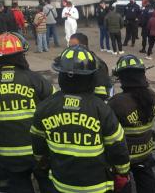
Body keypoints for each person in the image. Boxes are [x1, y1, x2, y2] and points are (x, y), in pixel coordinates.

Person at [31, 45, 131, 193]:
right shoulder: (101, 109)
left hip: (61, 185)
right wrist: (123, 172)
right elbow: (118, 147)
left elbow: (38, 148)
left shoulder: (45, 107)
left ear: (61, 76)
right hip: (96, 187)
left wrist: (43, 165)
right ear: (91, 78)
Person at [0, 32, 55, 193]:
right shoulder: (34, 79)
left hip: (6, 156)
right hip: (38, 153)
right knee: (47, 185)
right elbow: (55, 107)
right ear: (21, 55)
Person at [109, 54, 155, 193]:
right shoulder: (153, 97)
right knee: (146, 180)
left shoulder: (117, 102)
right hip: (145, 152)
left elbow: (108, 130)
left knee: (122, 184)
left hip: (124, 156)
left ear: (122, 78)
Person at [68, 33, 113, 101]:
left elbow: (102, 94)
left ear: (84, 47)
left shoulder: (97, 64)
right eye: (69, 46)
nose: (70, 49)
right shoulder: (71, 61)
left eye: (73, 46)